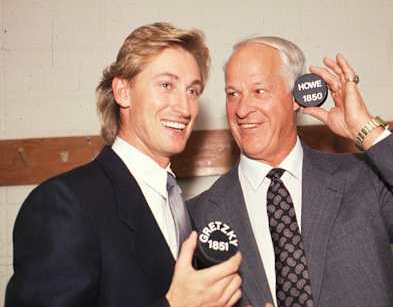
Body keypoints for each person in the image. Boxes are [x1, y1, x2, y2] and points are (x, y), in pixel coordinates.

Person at [187, 36, 393, 307]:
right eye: (232, 93)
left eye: (259, 90)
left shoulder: (361, 180)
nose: (242, 108)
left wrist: (365, 129)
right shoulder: (199, 215)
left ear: (295, 98)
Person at [5, 22, 243, 307]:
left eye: (192, 91)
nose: (184, 107)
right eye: (166, 85)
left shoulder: (179, 205)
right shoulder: (66, 203)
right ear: (122, 92)